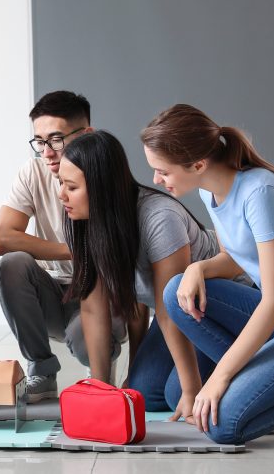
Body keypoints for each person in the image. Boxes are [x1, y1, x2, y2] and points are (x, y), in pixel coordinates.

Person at [141, 104, 274, 443]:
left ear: (197, 165)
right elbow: (235, 259)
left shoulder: (261, 192)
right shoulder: (210, 191)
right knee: (176, 292)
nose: (157, 180)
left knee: (220, 425)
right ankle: (267, 380)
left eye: (162, 172)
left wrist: (220, 377)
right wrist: (198, 267)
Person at [57, 130, 221, 419]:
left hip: (215, 304)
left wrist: (190, 390)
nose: (62, 195)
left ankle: (249, 361)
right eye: (61, 183)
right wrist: (102, 391)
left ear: (101, 188)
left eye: (71, 187)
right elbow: (94, 309)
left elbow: (170, 311)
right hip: (182, 310)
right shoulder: (88, 220)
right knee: (143, 391)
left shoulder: (159, 218)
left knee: (177, 394)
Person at [0, 91, 126, 401]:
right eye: (40, 142)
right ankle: (42, 370)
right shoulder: (33, 172)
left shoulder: (108, 175)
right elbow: (2, 238)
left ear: (87, 134)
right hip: (54, 292)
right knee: (12, 264)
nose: (48, 152)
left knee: (85, 336)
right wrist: (72, 252)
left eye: (56, 140)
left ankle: (99, 371)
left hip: (105, 295)